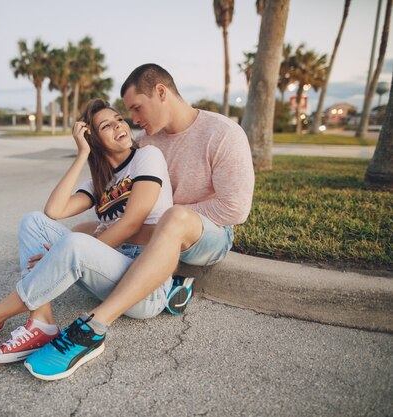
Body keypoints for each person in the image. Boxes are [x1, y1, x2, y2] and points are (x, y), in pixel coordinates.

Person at [24, 63, 255, 380]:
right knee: (84, 229)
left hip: (208, 235)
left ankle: (94, 326)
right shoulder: (148, 142)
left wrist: (161, 223)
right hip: (157, 233)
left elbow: (235, 209)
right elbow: (112, 198)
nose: (132, 120)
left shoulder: (223, 133)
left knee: (171, 219)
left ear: (160, 92)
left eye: (135, 108)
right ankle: (161, 281)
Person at [0, 98, 175, 379]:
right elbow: (54, 210)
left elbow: (131, 223)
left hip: (146, 284)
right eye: (107, 125)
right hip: (111, 267)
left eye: (119, 119)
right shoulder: (100, 180)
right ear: (93, 139)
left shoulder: (147, 156)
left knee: (75, 243)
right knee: (34, 221)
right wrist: (82, 154)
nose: (120, 126)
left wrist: (59, 253)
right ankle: (41, 322)